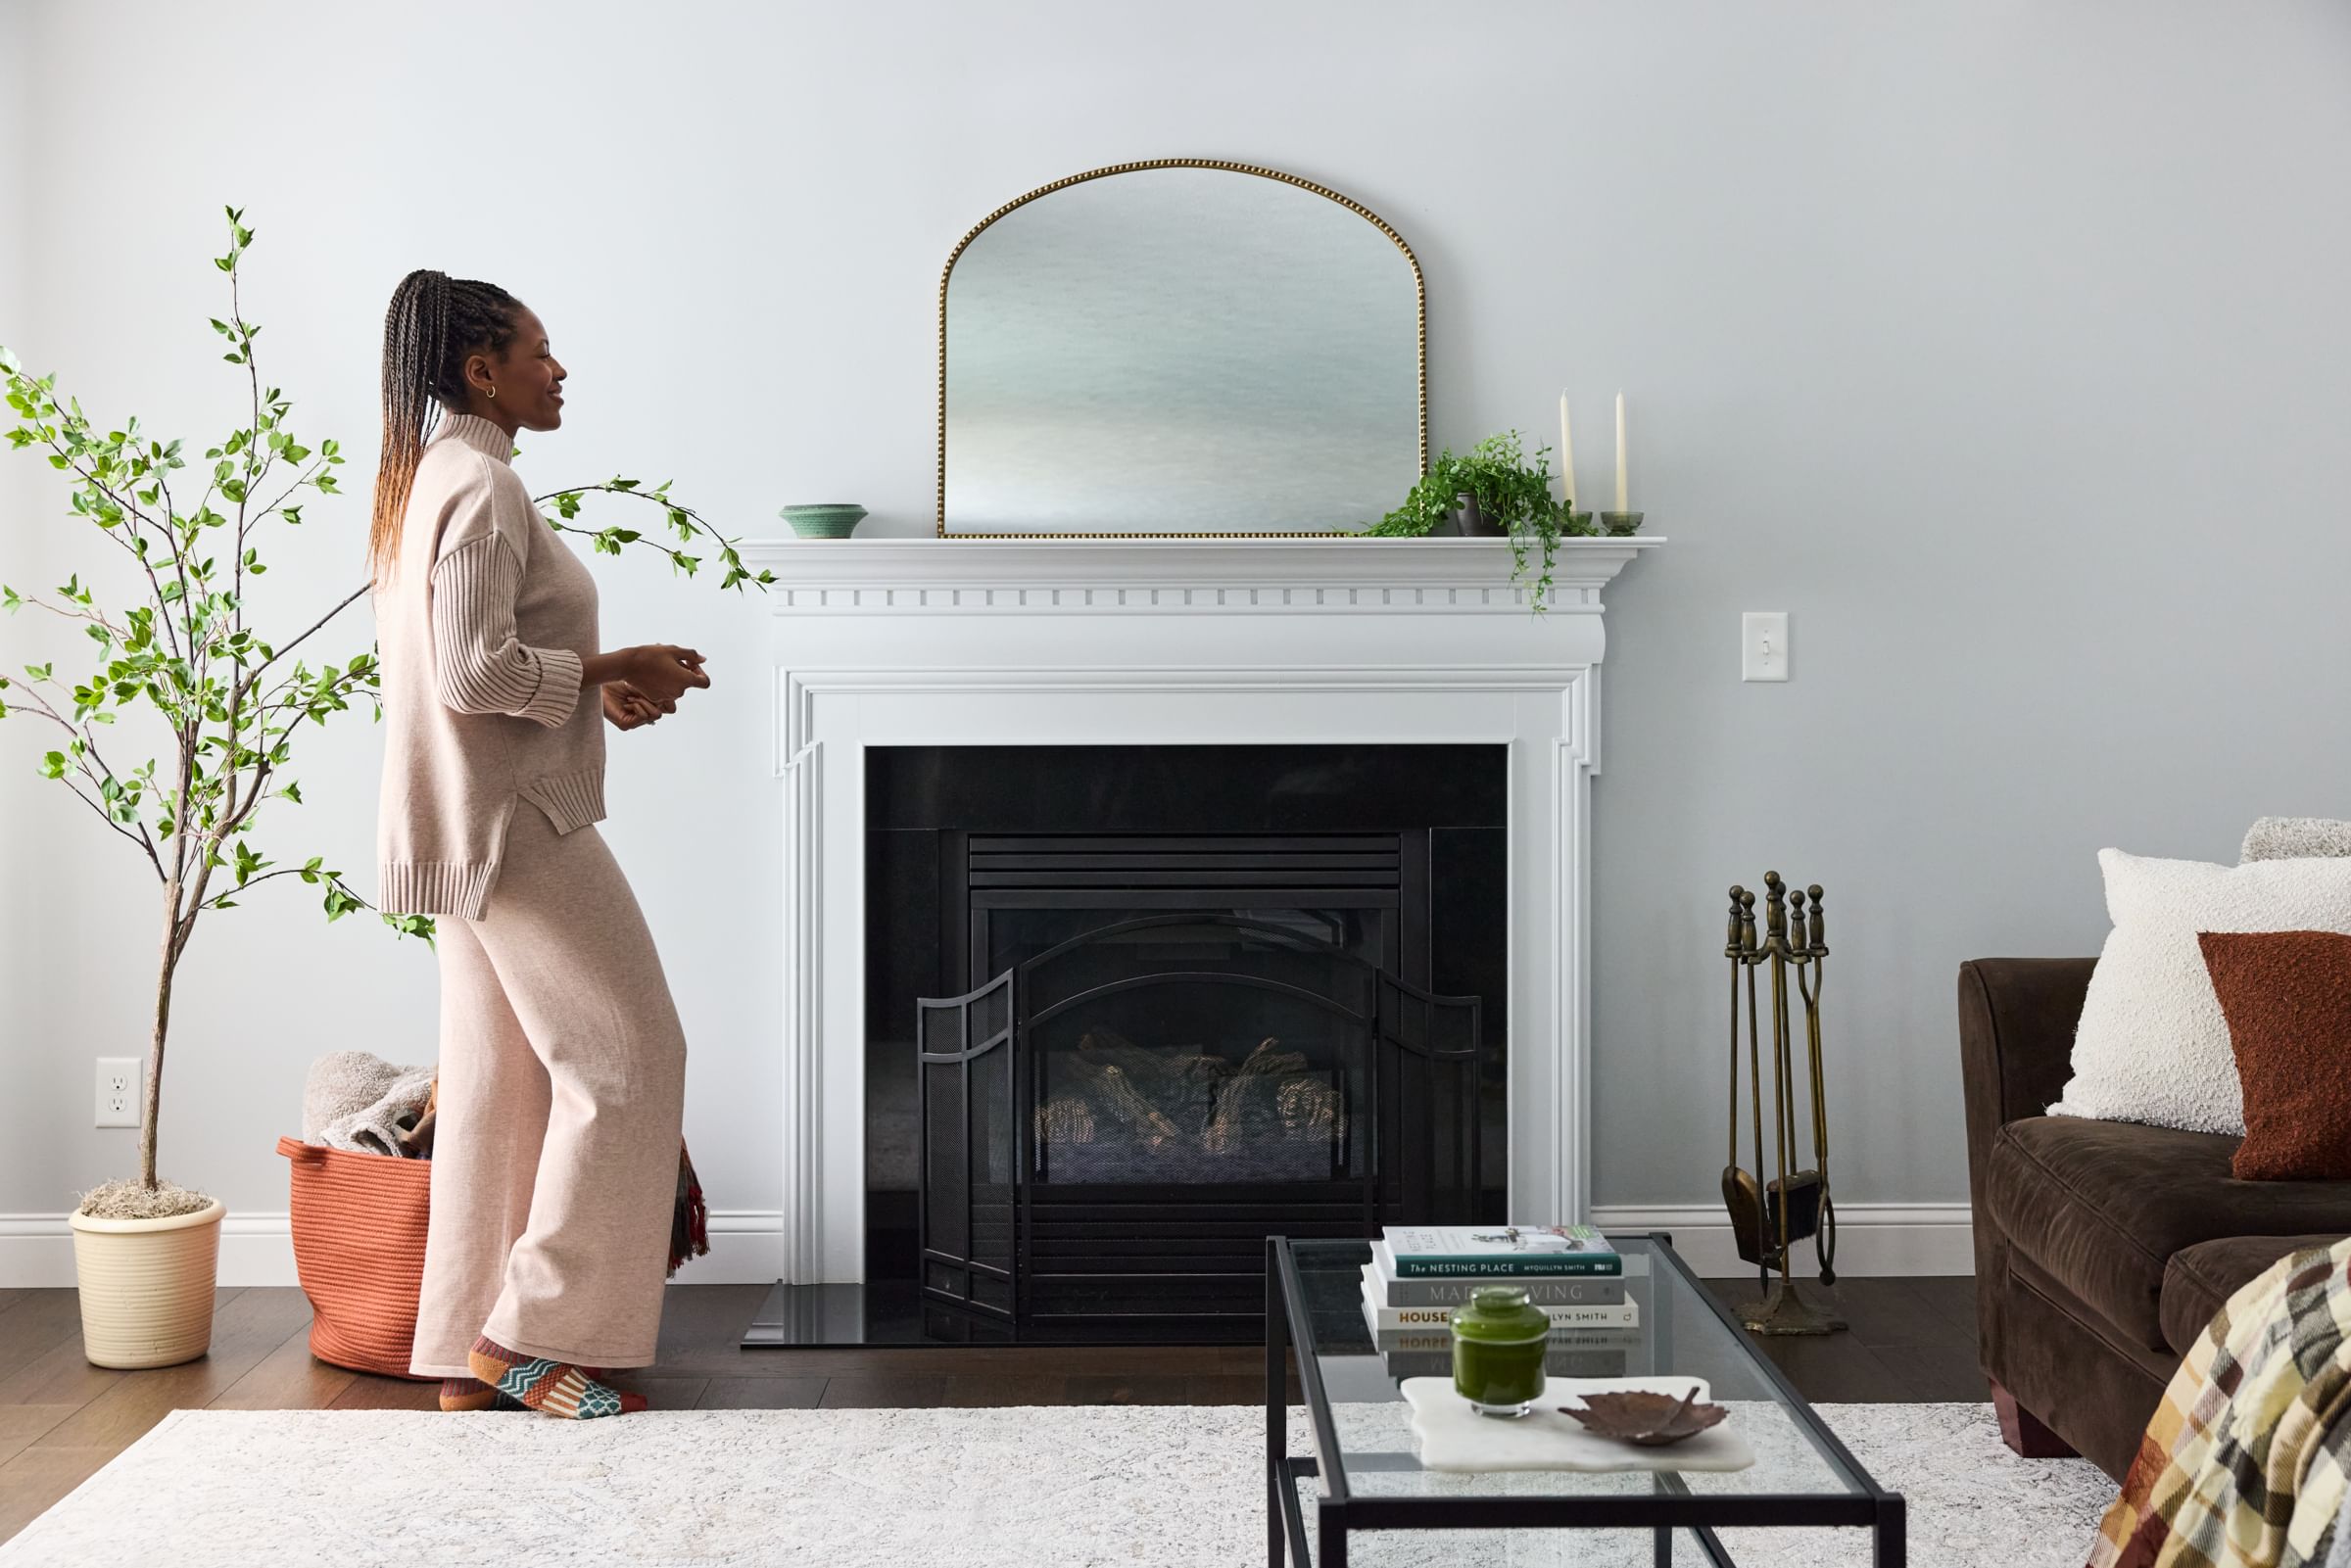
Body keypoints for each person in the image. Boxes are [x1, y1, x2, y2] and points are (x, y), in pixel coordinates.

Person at [366, 269, 709, 1418]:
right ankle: (531, 1333)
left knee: (498, 1085)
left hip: (466, 821)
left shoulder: (433, 481)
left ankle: (469, 1343)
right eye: (540, 352)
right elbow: (473, 674)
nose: (559, 371)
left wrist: (584, 693)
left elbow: (478, 662)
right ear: (481, 371)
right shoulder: (484, 485)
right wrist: (610, 670)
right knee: (629, 1055)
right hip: (514, 823)